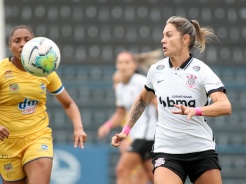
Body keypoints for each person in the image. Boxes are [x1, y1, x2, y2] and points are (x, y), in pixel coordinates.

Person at [111, 16, 232, 184]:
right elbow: (142, 99)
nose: (163, 40)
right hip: (167, 150)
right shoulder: (156, 70)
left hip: (201, 149)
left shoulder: (201, 70)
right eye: (163, 35)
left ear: (185, 39)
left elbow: (225, 106)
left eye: (168, 35)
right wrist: (126, 131)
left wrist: (195, 110)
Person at [0, 25, 87, 184]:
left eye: (27, 40)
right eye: (17, 41)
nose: (22, 44)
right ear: (10, 46)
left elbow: (68, 104)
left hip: (38, 137)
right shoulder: (1, 71)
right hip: (7, 144)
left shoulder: (45, 71)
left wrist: (78, 127)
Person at [98, 51, 158, 184]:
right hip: (136, 135)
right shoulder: (119, 87)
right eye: (120, 62)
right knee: (152, 175)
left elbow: (157, 104)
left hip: (147, 135)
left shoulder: (141, 82)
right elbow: (120, 114)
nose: (123, 66)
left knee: (122, 169)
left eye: (127, 62)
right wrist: (107, 126)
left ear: (134, 65)